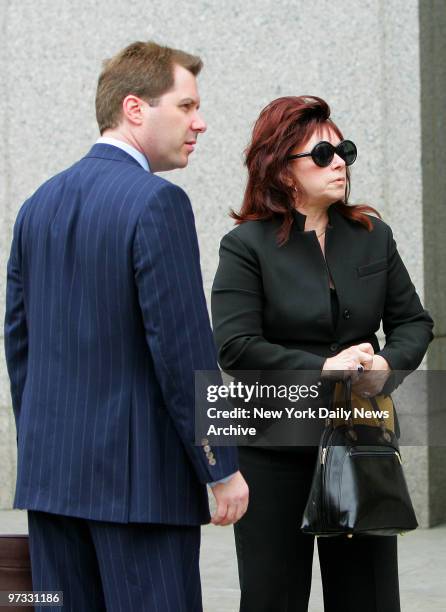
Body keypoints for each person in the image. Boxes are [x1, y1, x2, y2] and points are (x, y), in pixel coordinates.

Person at [4, 40, 248, 612]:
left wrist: (46, 450)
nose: (201, 123)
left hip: (53, 487)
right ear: (135, 108)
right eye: (187, 106)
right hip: (141, 494)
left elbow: (20, 344)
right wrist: (222, 466)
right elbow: (183, 349)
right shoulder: (156, 202)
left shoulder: (38, 204)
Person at [211, 96, 433, 612]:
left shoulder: (372, 237)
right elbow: (236, 347)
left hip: (361, 438)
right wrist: (322, 370)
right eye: (323, 153)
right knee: (273, 596)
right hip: (274, 448)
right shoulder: (245, 246)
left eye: (344, 152)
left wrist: (386, 365)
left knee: (369, 596)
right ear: (282, 169)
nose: (340, 163)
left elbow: (413, 323)